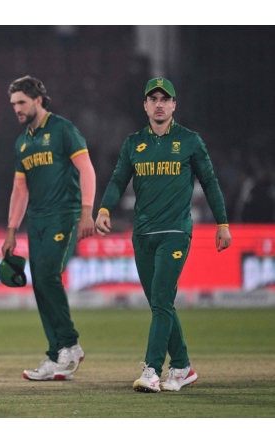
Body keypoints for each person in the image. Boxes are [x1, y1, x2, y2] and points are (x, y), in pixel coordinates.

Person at [95, 77, 232, 393]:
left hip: (175, 231)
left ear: (173, 105)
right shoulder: (133, 144)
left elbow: (209, 182)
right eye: (152, 98)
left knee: (159, 300)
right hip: (142, 233)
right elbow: (117, 181)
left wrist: (222, 223)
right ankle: (183, 366)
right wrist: (104, 210)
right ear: (145, 105)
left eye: (164, 98)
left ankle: (153, 369)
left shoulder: (190, 141)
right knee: (161, 303)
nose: (159, 103)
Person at [1, 76, 96, 381]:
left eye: (22, 102)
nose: (16, 108)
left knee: (47, 275)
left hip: (64, 214)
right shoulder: (23, 142)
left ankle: (69, 344)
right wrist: (12, 230)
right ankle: (56, 356)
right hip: (37, 220)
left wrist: (86, 212)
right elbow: (19, 190)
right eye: (13, 103)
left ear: (38, 100)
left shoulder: (63, 130)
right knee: (40, 282)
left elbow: (87, 170)